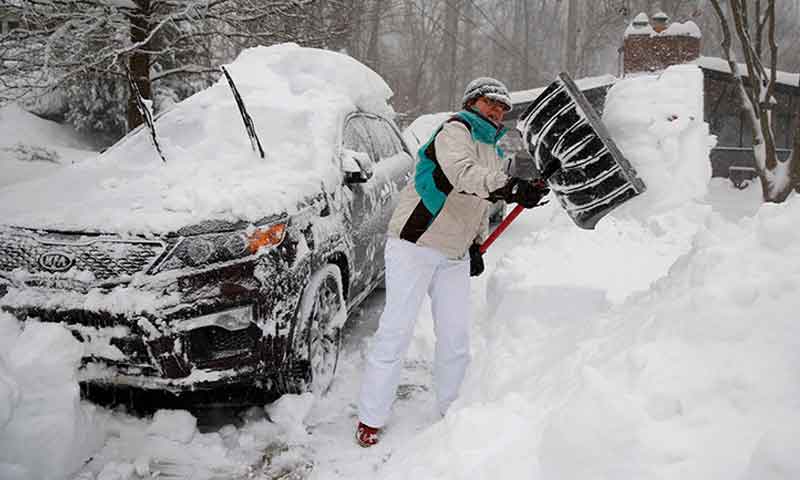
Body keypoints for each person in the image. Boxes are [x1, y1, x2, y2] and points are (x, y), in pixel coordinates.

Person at [355, 77, 550, 447]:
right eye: (490, 102)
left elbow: (478, 203)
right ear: (472, 102)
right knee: (396, 331)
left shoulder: (493, 149)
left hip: (454, 253)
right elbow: (463, 174)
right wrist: (510, 186)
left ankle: (451, 407)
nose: (497, 110)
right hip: (416, 243)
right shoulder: (454, 129)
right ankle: (371, 415)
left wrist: (476, 243)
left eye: (503, 107)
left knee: (456, 334)